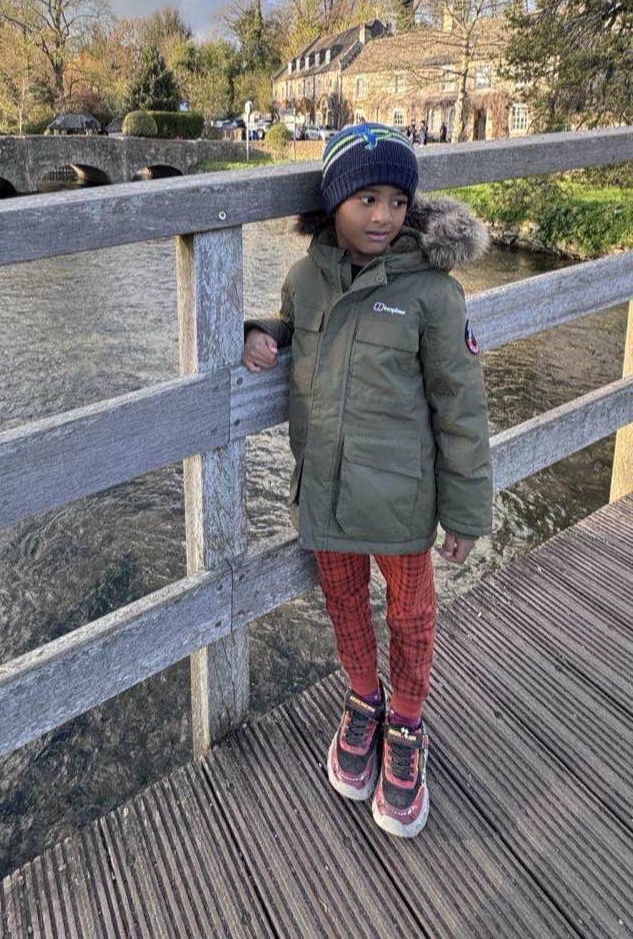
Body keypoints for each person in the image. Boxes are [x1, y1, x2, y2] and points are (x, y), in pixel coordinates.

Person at [241, 122, 491, 839]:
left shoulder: (432, 295)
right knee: (346, 606)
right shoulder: (305, 276)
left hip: (403, 502)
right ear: (333, 203)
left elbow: (461, 407)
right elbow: (294, 324)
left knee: (410, 617)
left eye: (395, 200)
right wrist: (264, 332)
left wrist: (466, 509)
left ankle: (406, 724)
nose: (382, 215)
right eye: (365, 199)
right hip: (326, 491)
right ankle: (362, 699)